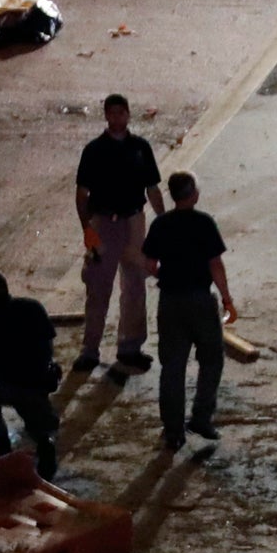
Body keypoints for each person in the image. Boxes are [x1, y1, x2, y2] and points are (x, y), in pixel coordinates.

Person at [140, 171, 237, 452]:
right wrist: (227, 299)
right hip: (200, 301)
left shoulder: (161, 225)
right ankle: (201, 418)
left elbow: (149, 264)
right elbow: (215, 264)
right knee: (211, 359)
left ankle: (173, 431)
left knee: (172, 367)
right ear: (193, 193)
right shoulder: (204, 223)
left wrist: (166, 275)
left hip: (170, 302)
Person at [73, 93, 165, 376]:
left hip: (134, 221)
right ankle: (90, 350)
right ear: (106, 116)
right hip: (103, 223)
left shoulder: (141, 148)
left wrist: (163, 223)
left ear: (127, 114)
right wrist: (87, 228)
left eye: (120, 113)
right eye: (112, 113)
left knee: (135, 285)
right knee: (98, 288)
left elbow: (152, 189)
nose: (116, 118)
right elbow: (82, 194)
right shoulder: (93, 151)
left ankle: (130, 347)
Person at [0, 272, 60, 480]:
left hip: (4, 386)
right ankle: (44, 441)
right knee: (39, 420)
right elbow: (48, 346)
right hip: (37, 382)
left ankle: (1, 441)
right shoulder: (33, 308)